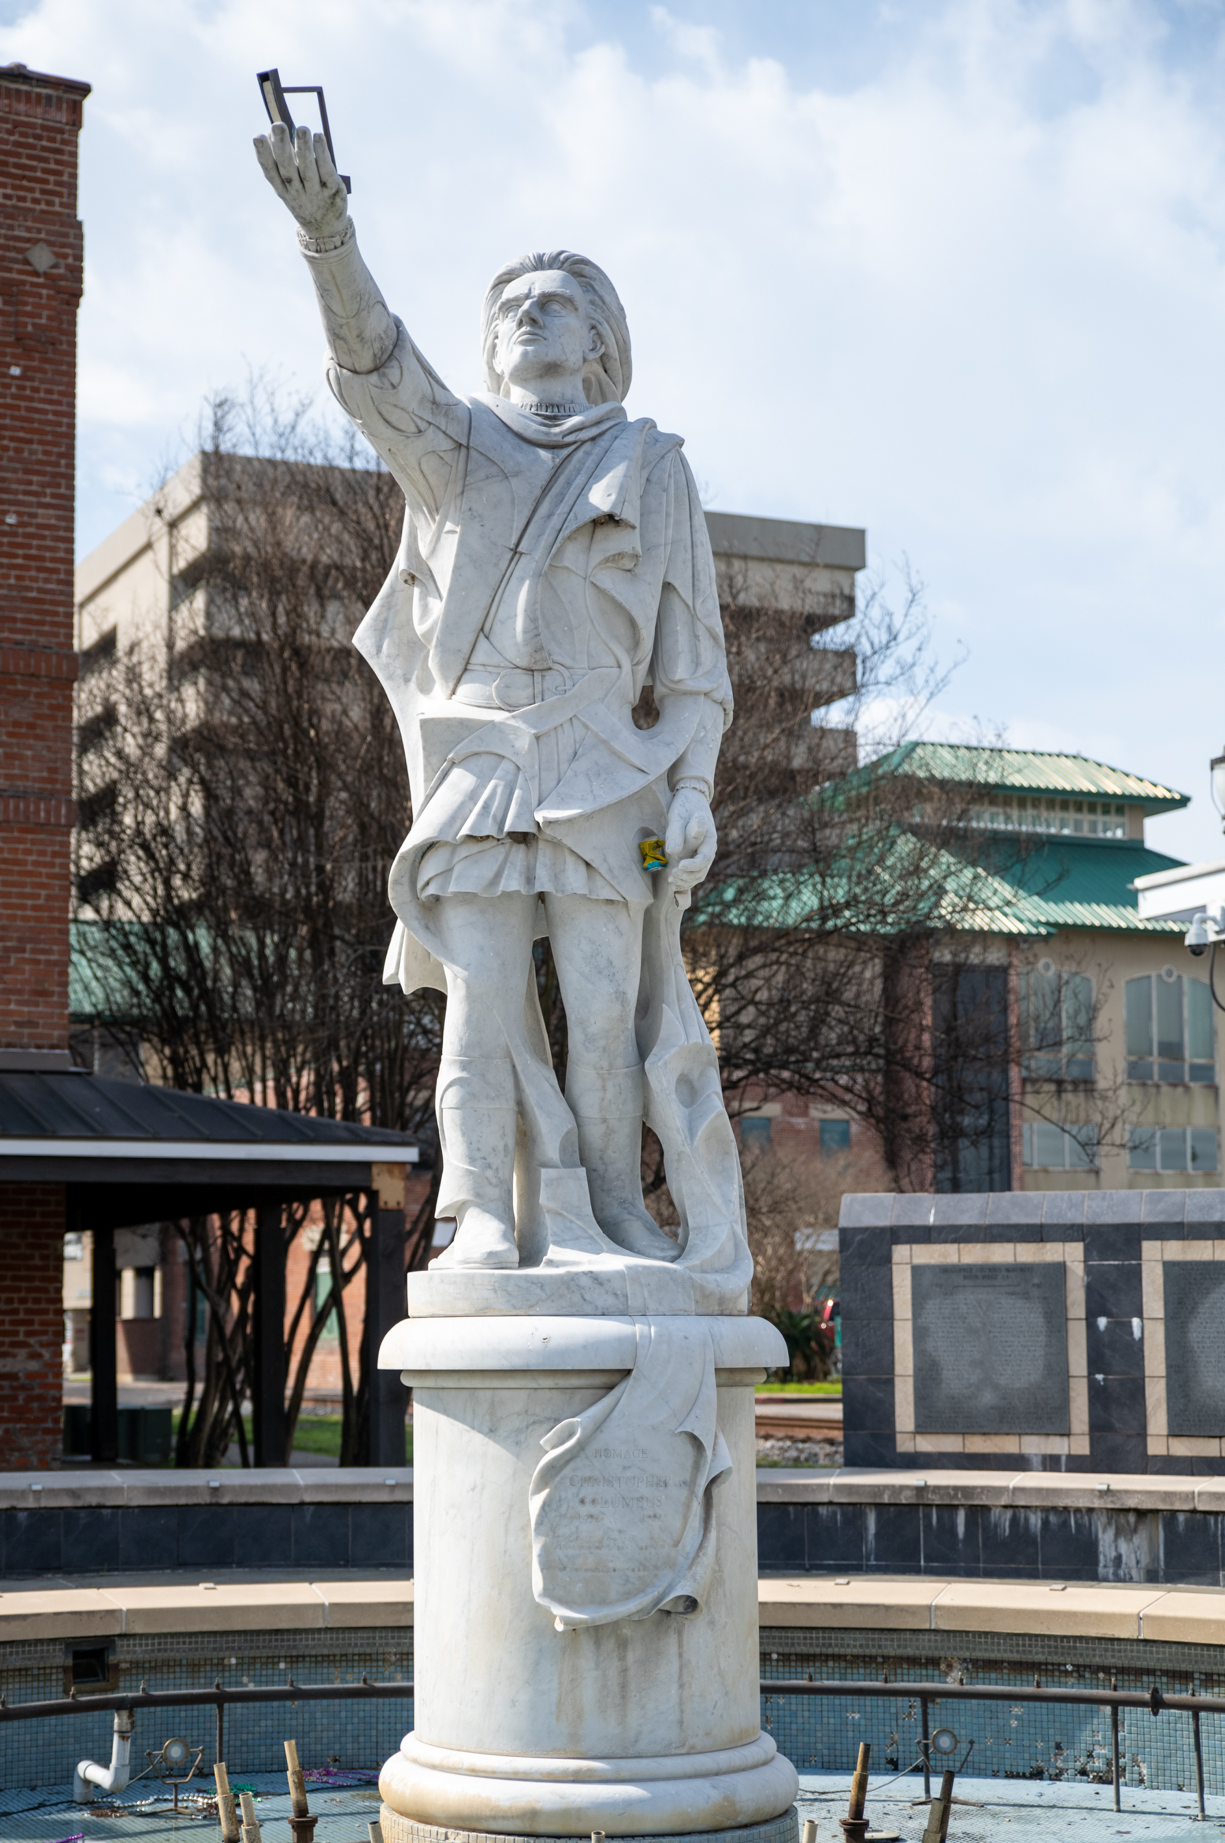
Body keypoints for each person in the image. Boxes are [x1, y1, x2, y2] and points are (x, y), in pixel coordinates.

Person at [255, 122, 741, 1279]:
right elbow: (376, 367)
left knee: (606, 1001)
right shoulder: (455, 448)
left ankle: (614, 1212)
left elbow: (694, 668)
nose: (532, 314)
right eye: (513, 303)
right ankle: (480, 1213)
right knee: (476, 1002)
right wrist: (330, 237)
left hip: (609, 765)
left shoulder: (652, 464)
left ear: (602, 339)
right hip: (478, 755)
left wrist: (697, 791)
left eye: (559, 300)